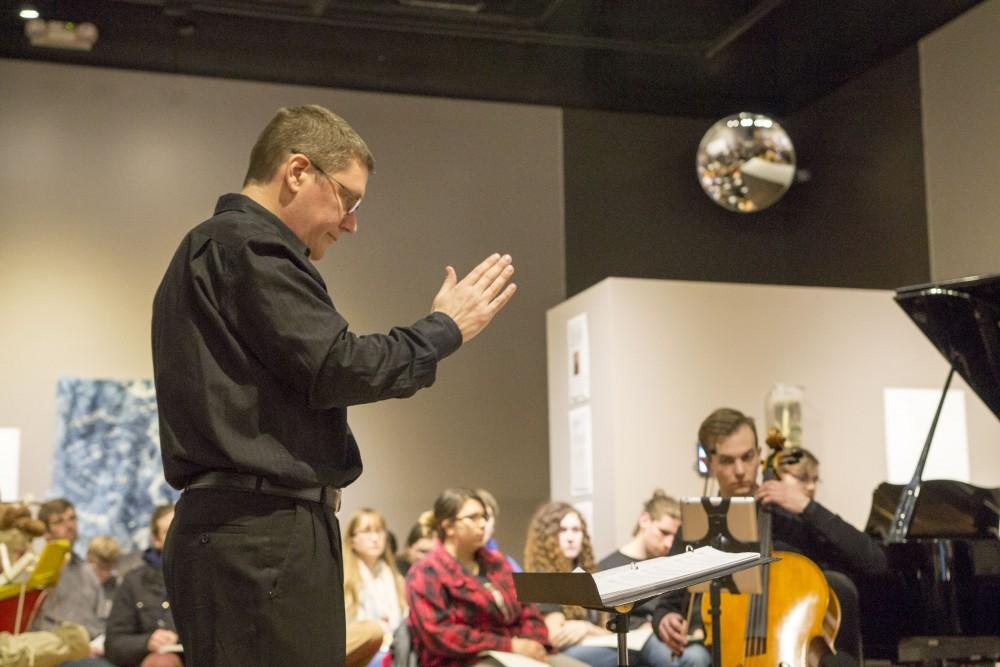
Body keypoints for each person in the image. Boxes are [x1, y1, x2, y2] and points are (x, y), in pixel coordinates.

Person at [151, 104, 516, 666]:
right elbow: (341, 365)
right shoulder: (250, 245)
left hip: (242, 533)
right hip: (262, 537)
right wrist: (444, 328)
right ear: (297, 172)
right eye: (348, 198)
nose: (350, 223)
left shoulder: (211, 249)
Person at [651, 408, 888, 667]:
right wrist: (664, 618)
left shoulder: (792, 517)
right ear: (709, 463)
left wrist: (807, 506)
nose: (740, 470)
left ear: (759, 456)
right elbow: (669, 601)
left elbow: (874, 561)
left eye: (747, 457)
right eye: (728, 461)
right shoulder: (700, 523)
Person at [406, 488, 583, 667]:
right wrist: (509, 645)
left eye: (484, 517)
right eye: (473, 518)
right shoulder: (426, 572)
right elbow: (440, 634)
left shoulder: (497, 563)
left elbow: (528, 610)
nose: (482, 524)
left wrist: (532, 642)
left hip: (516, 653)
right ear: (448, 526)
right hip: (465, 659)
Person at [597, 491, 709, 667]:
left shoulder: (673, 565)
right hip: (632, 640)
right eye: (663, 532)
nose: (669, 543)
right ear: (644, 520)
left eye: (674, 536)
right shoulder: (606, 567)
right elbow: (603, 621)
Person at [523, 502, 615, 667]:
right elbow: (557, 636)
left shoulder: (587, 575)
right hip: (560, 655)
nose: (570, 537)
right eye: (562, 530)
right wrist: (592, 631)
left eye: (576, 530)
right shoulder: (542, 578)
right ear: (546, 537)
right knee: (621, 655)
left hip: (592, 645)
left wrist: (585, 628)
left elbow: (608, 632)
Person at [31, 499, 113, 665]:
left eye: (72, 519)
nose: (69, 526)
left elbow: (101, 619)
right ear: (45, 532)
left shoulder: (88, 571)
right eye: (59, 522)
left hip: (94, 649)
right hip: (56, 652)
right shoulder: (37, 572)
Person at [104, 505, 181, 667]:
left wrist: (180, 639)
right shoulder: (134, 582)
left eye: (181, 529)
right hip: (147, 660)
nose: (177, 536)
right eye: (169, 531)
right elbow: (113, 643)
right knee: (161, 662)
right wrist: (147, 642)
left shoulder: (208, 579)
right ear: (156, 539)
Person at [343, 508, 405, 667]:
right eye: (366, 531)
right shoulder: (342, 579)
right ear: (352, 541)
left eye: (379, 531)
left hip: (391, 648)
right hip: (359, 651)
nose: (375, 538)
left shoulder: (395, 578)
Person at [475, 488, 522, 573]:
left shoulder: (508, 565)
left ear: (493, 525)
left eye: (486, 517)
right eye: (474, 517)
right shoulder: (448, 564)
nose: (482, 523)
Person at [395, 512, 436, 577]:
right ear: (409, 548)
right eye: (423, 551)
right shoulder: (394, 572)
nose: (428, 558)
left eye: (433, 553)